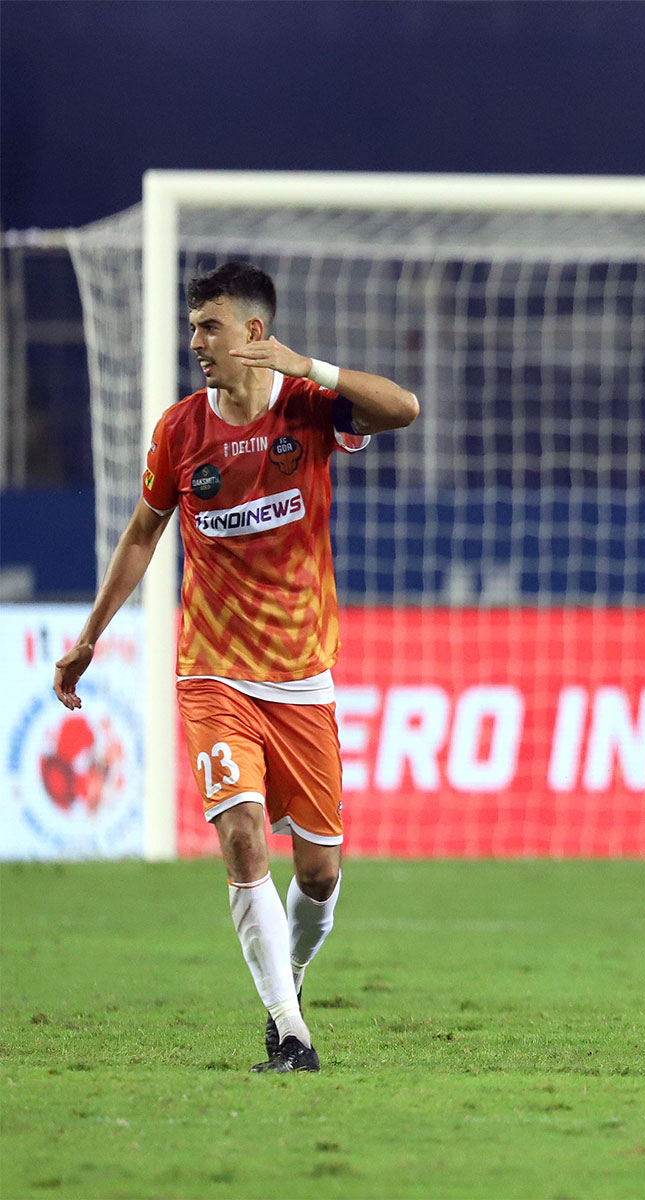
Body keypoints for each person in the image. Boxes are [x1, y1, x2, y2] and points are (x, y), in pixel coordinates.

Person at [53, 262, 419, 1072]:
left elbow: (405, 408)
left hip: (301, 677)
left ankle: (284, 976)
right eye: (193, 329)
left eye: (209, 327)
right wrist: (89, 636)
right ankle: (291, 1030)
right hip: (213, 673)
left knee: (319, 873)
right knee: (244, 837)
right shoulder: (180, 432)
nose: (196, 344)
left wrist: (310, 367)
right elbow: (143, 533)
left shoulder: (308, 410)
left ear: (254, 332)